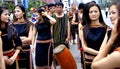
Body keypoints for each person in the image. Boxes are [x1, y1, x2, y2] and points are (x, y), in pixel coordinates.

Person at [92, 2, 120, 69]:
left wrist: (111, 40)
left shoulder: (117, 55)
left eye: (113, 13)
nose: (110, 16)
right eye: (109, 13)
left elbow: (94, 66)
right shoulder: (110, 32)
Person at [79, 2, 107, 69]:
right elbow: (85, 48)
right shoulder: (83, 29)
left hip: (103, 62)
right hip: (89, 62)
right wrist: (102, 54)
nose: (93, 14)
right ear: (87, 14)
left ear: (99, 12)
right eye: (91, 12)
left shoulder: (106, 28)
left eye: (95, 11)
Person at [13, 4, 33, 69]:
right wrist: (24, 38)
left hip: (27, 52)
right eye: (15, 11)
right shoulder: (12, 25)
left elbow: (30, 40)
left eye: (18, 11)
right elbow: (11, 41)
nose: (16, 13)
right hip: (15, 52)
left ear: (23, 12)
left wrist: (17, 40)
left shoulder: (29, 24)